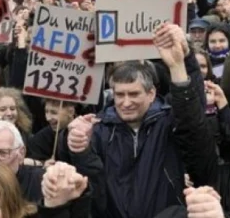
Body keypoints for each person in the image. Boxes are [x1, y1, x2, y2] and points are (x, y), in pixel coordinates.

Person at [66, 23, 215, 218]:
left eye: (134, 94)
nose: (126, 102)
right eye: (120, 95)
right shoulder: (99, 129)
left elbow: (192, 115)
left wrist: (183, 62)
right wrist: (78, 148)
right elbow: (92, 184)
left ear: (151, 93)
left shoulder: (168, 123)